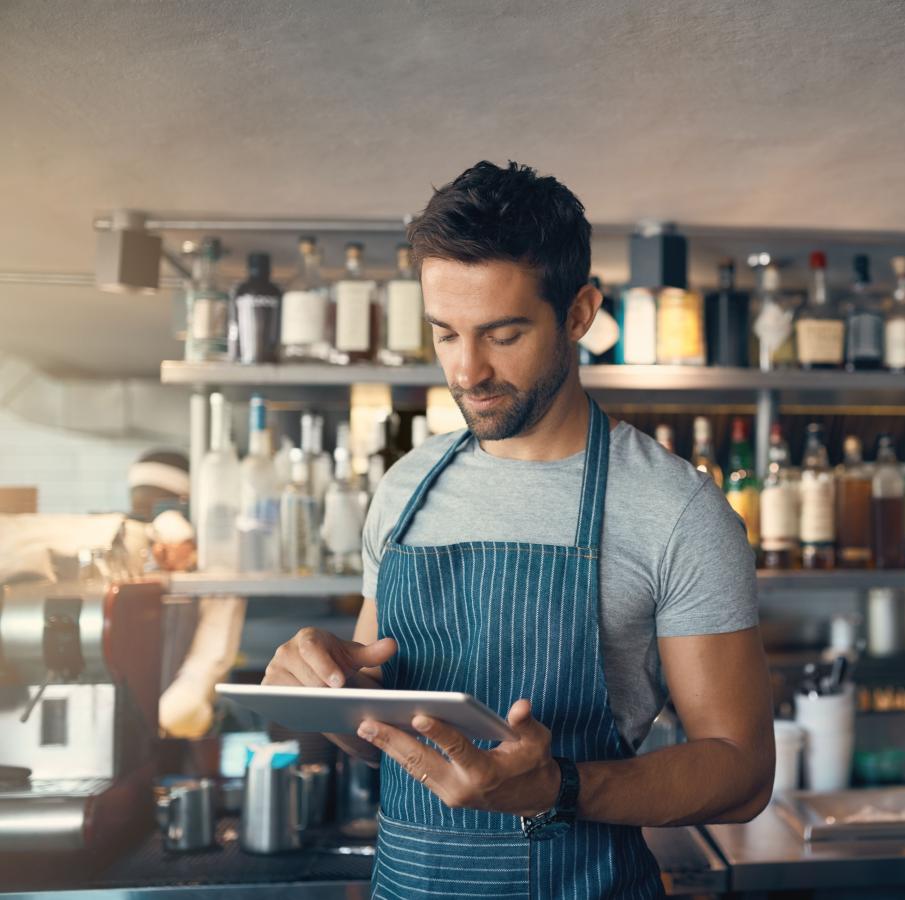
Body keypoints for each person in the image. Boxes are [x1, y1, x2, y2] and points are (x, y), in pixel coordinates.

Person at [263, 161, 773, 897]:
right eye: (445, 334)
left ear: (579, 312)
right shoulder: (406, 488)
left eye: (503, 335)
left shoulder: (676, 510)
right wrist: (325, 692)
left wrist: (559, 786)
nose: (468, 371)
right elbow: (386, 741)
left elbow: (742, 770)